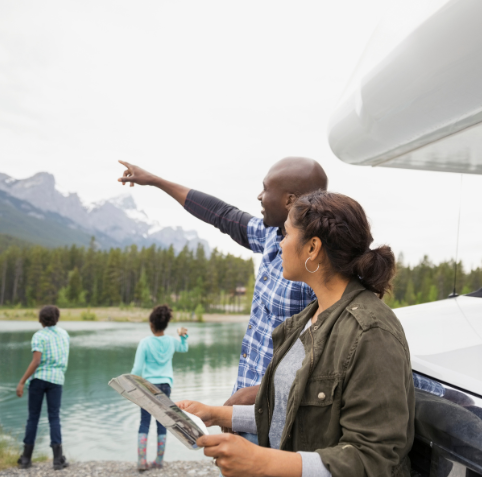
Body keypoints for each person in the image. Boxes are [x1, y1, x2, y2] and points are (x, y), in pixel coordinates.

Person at [177, 190, 416, 477]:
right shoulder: (305, 320)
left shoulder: (372, 333)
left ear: (312, 248)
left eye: (286, 235)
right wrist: (214, 414)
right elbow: (287, 414)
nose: (279, 245)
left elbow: (372, 459)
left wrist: (262, 462)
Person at [117, 158, 327, 423]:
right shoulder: (271, 236)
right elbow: (221, 214)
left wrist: (260, 392)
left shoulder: (320, 263)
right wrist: (156, 181)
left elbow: (326, 355)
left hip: (280, 415)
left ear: (290, 200)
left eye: (265, 189)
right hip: (244, 403)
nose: (259, 196)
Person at [131, 305, 189, 471]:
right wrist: (183, 336)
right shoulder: (171, 341)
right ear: (165, 325)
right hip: (165, 386)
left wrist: (132, 384)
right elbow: (184, 348)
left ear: (151, 325)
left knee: (144, 421)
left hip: (148, 386)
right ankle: (159, 461)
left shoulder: (145, 343)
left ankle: (142, 461)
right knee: (162, 422)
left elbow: (136, 369)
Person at [16, 305, 70, 470]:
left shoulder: (39, 336)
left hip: (39, 380)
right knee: (54, 417)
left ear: (41, 320)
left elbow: (36, 361)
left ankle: (26, 459)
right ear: (57, 318)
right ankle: (58, 459)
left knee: (33, 417)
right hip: (56, 380)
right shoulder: (64, 334)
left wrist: (22, 381)